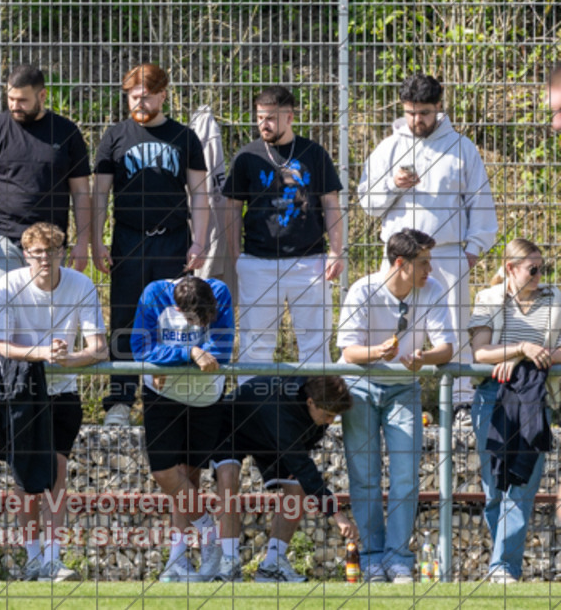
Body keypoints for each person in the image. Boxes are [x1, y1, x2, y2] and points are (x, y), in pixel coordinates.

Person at [357, 74, 497, 408]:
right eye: (410, 112)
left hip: (447, 256)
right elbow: (367, 203)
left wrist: (472, 251)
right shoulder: (388, 148)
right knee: (390, 327)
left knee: (454, 329)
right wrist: (392, 184)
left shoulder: (461, 148)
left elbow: (480, 202)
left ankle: (460, 403)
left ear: (439, 107)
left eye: (424, 113)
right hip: (398, 260)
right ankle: (392, 396)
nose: (416, 120)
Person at [92, 63, 209, 427]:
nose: (138, 102)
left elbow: (200, 193)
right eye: (132, 96)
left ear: (163, 94)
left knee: (174, 318)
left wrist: (200, 240)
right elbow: (99, 194)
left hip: (173, 241)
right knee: (125, 318)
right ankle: (120, 402)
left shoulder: (185, 138)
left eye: (145, 96)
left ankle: (168, 395)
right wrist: (96, 240)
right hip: (128, 239)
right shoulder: (115, 135)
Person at [337, 229, 455, 583]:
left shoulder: (431, 290)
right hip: (359, 387)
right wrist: (378, 353)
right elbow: (347, 351)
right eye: (423, 263)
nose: (429, 270)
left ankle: (398, 558)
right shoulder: (362, 289)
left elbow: (447, 348)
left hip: (405, 388)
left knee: (405, 477)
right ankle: (371, 557)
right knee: (365, 477)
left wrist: (425, 357)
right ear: (400, 264)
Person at [0, 222, 107, 582]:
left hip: (63, 393)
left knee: (57, 473)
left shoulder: (81, 284)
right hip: (22, 392)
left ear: (61, 252)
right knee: (26, 480)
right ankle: (32, 558)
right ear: (26, 255)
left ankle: (53, 558)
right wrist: (41, 353)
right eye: (36, 252)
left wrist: (72, 359)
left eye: (51, 251)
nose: (44, 258)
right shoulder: (7, 285)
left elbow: (98, 347)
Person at [221, 87, 344, 383]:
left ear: (289, 117)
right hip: (258, 262)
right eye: (260, 117)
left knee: (315, 344)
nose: (264, 124)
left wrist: (336, 251)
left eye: (271, 118)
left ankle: (317, 411)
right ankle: (251, 412)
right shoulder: (247, 157)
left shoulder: (313, 154)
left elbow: (331, 204)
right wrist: (237, 255)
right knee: (256, 344)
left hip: (309, 261)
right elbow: (231, 209)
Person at [0, 64, 91, 356]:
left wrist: (83, 242)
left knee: (47, 324)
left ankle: (45, 394)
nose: (14, 106)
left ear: (42, 96)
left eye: (22, 100)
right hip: (1, 243)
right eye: (10, 99)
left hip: (49, 246)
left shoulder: (66, 132)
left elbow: (82, 192)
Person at [469, 238, 561, 583]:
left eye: (542, 268)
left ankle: (503, 567)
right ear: (510, 268)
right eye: (532, 269)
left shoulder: (556, 298)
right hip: (493, 394)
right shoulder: (489, 298)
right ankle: (502, 563)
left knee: (521, 484)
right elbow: (480, 352)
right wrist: (520, 348)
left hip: (535, 396)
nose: (539, 275)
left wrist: (537, 357)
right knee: (494, 486)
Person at [131, 275, 233, 582]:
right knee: (164, 472)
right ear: (176, 306)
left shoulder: (219, 291)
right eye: (192, 319)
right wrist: (188, 353)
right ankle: (209, 534)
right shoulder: (153, 294)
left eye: (205, 319)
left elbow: (222, 350)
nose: (199, 324)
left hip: (205, 398)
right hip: (162, 396)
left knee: (189, 478)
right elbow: (139, 348)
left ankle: (177, 560)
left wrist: (171, 362)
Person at [211, 375, 358, 583]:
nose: (330, 422)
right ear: (310, 402)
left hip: (271, 437)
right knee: (228, 478)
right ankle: (229, 562)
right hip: (232, 427)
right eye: (327, 415)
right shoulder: (283, 414)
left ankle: (272, 564)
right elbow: (303, 466)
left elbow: (300, 461)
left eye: (334, 416)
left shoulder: (317, 405)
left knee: (297, 488)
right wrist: (337, 513)